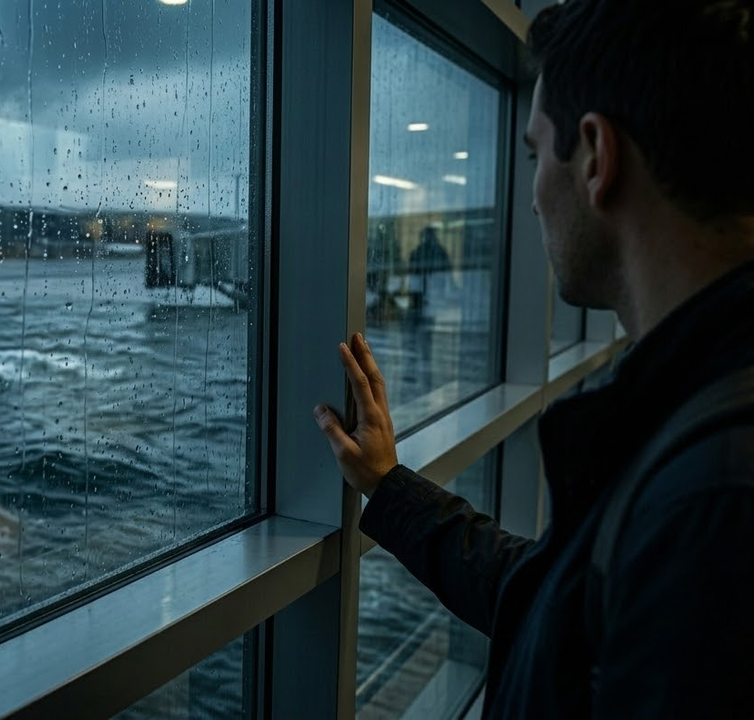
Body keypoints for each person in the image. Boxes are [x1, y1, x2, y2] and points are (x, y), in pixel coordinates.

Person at [313, 0, 754, 717]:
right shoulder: (693, 410)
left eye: (533, 153)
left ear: (596, 157)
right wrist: (389, 487)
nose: (534, 198)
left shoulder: (712, 503)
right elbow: (558, 599)